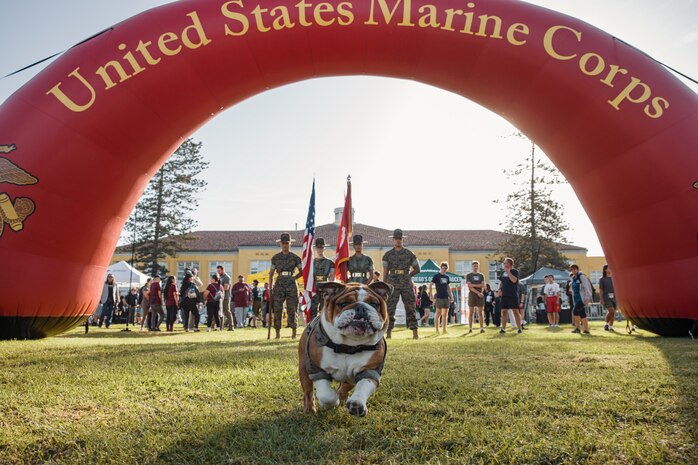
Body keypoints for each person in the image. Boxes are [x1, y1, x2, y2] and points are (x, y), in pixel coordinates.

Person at [383, 229, 421, 339]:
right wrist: (385, 285)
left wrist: (408, 276)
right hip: (392, 283)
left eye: (400, 239)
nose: (398, 241)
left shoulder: (409, 254)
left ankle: (415, 333)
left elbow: (418, 269)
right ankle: (388, 333)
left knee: (410, 307)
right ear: (393, 240)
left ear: (402, 240)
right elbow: (385, 272)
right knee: (390, 308)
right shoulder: (387, 255)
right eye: (396, 239)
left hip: (406, 284)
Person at [269, 233, 303, 339]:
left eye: (287, 243)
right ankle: (277, 333)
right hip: (279, 283)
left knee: (292, 308)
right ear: (280, 244)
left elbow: (303, 271)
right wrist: (270, 287)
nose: (285, 245)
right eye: (283, 243)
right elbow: (271, 273)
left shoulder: (295, 258)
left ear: (290, 244)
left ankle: (293, 332)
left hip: (291, 284)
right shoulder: (275, 258)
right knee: (277, 308)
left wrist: (294, 278)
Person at [309, 237, 335, 320]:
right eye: (318, 247)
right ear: (315, 248)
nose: (320, 249)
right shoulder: (311, 262)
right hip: (313, 286)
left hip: (325, 286)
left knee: (324, 308)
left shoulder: (330, 263)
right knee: (313, 308)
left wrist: (330, 289)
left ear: (324, 248)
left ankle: (323, 325)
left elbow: (331, 277)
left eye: (321, 247)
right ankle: (312, 326)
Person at [429, 262, 455, 335]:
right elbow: (430, 285)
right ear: (441, 268)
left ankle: (444, 330)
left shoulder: (447, 277)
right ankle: (437, 330)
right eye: (443, 268)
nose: (444, 270)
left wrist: (451, 296)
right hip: (439, 298)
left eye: (446, 268)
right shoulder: (436, 276)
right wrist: (431, 295)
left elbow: (448, 287)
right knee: (438, 314)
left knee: (445, 314)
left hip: (446, 298)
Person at [498, 258, 522, 334]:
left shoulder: (515, 272)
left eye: (505, 263)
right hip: (504, 295)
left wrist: (508, 272)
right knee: (504, 312)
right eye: (504, 263)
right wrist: (499, 289)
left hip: (512, 295)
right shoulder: (503, 273)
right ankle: (503, 329)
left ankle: (519, 328)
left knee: (516, 312)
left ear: (510, 264)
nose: (504, 264)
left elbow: (514, 280)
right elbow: (501, 282)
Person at [569, 264, 593, 334]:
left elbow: (587, 287)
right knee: (582, 313)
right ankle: (585, 329)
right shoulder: (573, 278)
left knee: (575, 311)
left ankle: (578, 328)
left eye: (574, 269)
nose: (573, 270)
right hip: (576, 299)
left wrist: (588, 297)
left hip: (582, 298)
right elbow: (573, 289)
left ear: (578, 269)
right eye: (572, 269)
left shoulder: (581, 276)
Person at [466, 261, 486, 333]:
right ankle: (470, 328)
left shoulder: (481, 275)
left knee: (480, 312)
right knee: (471, 312)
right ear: (472, 266)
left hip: (480, 295)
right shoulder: (469, 275)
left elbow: (483, 285)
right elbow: (469, 286)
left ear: (478, 266)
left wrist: (473, 285)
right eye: (474, 266)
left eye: (477, 266)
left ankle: (481, 328)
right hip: (472, 294)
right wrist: (478, 292)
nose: (475, 267)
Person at [598, 264, 617, 331]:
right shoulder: (602, 279)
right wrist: (601, 298)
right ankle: (606, 323)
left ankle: (610, 326)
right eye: (609, 268)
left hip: (614, 298)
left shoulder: (614, 278)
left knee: (613, 313)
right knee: (611, 311)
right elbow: (601, 290)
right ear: (605, 270)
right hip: (606, 297)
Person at [217, 265, 234, 331]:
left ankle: (231, 326)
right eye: (217, 271)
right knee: (221, 312)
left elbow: (226, 287)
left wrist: (218, 291)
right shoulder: (220, 277)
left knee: (227, 311)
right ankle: (221, 327)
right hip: (220, 297)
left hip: (226, 297)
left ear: (223, 270)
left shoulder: (226, 277)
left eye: (219, 270)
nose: (218, 272)